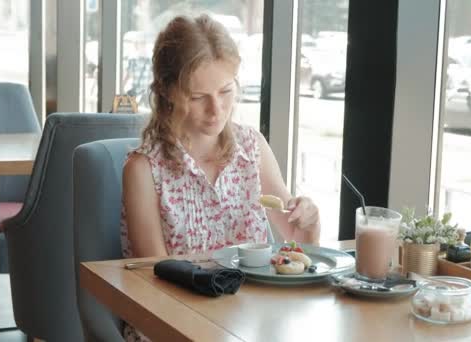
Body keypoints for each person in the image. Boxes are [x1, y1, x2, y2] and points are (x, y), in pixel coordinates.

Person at [120, 14, 321, 341]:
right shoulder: (144, 170)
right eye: (198, 97)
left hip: (251, 319)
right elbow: (158, 280)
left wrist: (307, 222)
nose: (216, 109)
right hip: (175, 324)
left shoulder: (252, 148)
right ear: (167, 91)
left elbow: (296, 247)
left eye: (226, 91)